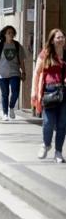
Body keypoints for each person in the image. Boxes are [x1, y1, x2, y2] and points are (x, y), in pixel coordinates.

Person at [31, 28, 66, 163]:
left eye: (62, 37)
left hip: (63, 93)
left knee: (62, 125)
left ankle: (58, 152)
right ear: (52, 40)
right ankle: (46, 144)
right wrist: (34, 91)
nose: (61, 39)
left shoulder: (65, 55)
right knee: (48, 123)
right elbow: (37, 72)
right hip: (49, 92)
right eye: (58, 37)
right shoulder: (45, 54)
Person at [0, 26, 27, 121]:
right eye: (8, 33)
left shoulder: (17, 46)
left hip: (15, 72)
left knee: (15, 92)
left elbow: (22, 61)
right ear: (4, 34)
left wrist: (23, 72)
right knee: (5, 94)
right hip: (2, 74)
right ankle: (5, 113)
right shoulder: (0, 46)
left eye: (12, 33)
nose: (11, 34)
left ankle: (11, 107)